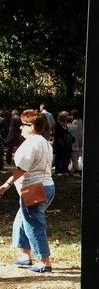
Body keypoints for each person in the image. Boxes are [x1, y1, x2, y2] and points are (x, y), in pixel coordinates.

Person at [0, 110, 55, 273]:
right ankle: (25, 255)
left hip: (34, 188)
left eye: (23, 125)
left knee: (34, 223)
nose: (20, 128)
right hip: (45, 186)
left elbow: (22, 168)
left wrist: (6, 184)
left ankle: (44, 262)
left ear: (31, 126)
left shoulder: (31, 143)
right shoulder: (45, 142)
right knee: (22, 219)